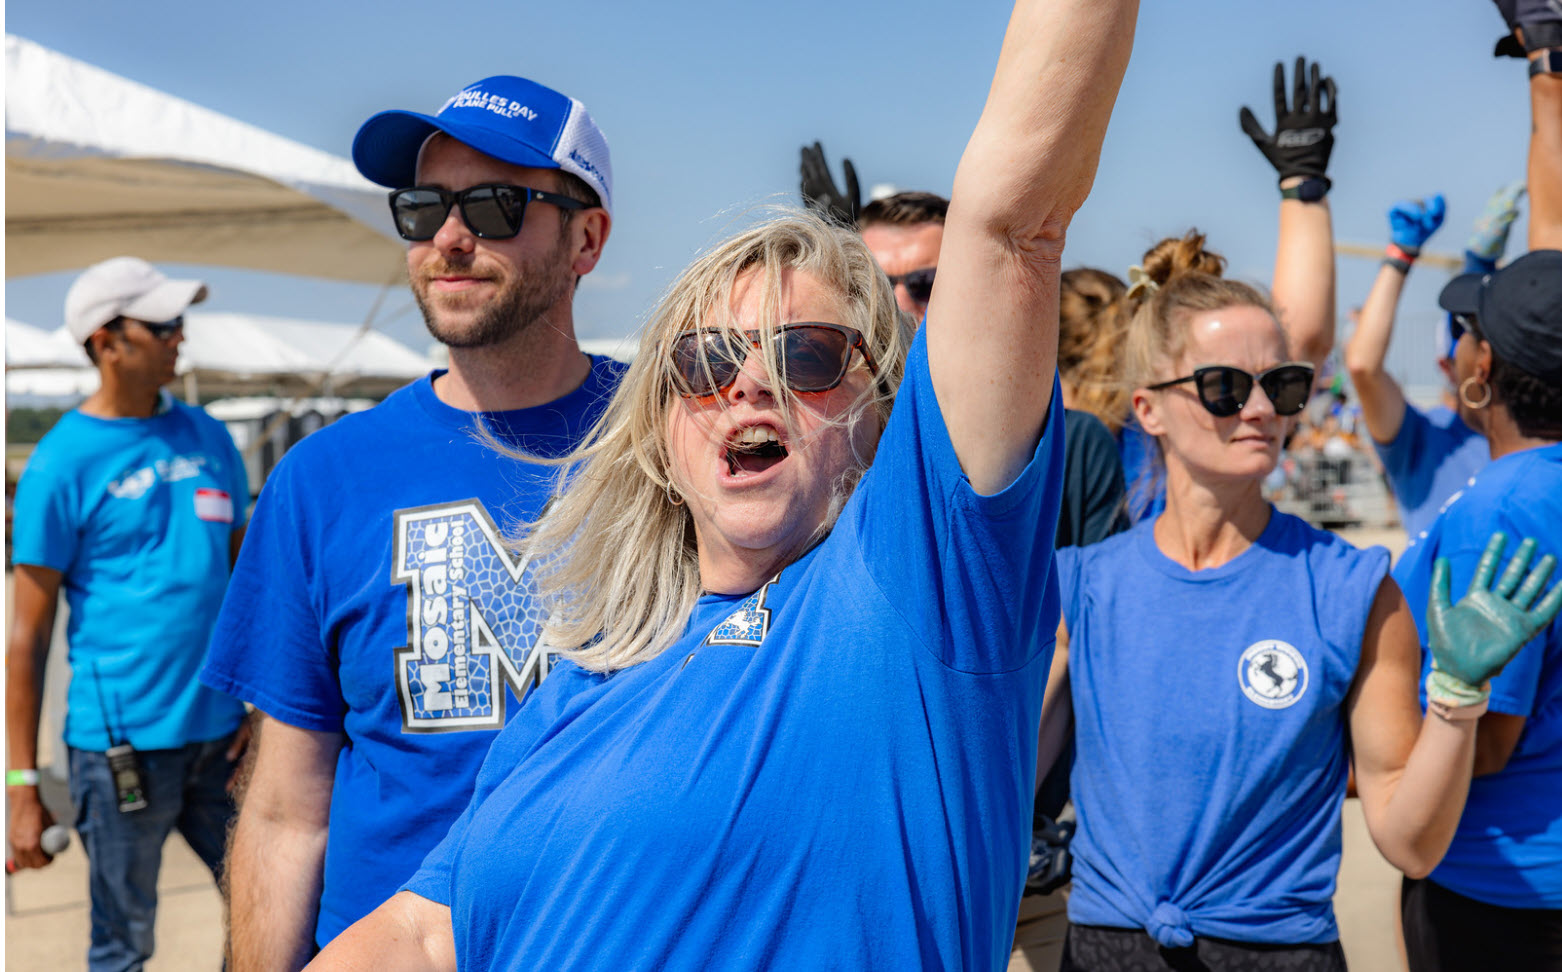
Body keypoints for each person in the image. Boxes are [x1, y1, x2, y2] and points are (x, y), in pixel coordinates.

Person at [308, 1, 1139, 968]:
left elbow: (1014, 224)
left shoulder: (917, 592)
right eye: (703, 362)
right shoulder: (589, 669)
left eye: (809, 355)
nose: (752, 383)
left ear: (883, 411)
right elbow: (423, 928)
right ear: (658, 431)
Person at [1034, 234, 1560, 971]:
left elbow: (1409, 841)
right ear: (1148, 409)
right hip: (1104, 950)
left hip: (1279, 953)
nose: (1258, 409)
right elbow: (1000, 789)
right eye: (1223, 386)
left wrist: (1456, 698)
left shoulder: (1354, 590)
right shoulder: (1080, 588)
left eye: (1279, 385)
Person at [198, 74, 622, 968]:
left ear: (587, 239)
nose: (452, 238)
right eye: (423, 208)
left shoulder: (677, 439)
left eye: (497, 206)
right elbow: (282, 807)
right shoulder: (322, 479)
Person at [7, 257, 250, 971]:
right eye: (164, 324)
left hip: (226, 744)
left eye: (181, 322)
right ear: (107, 340)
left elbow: (250, 588)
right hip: (120, 757)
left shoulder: (209, 437)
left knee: (277, 912)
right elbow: (25, 637)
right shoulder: (60, 464)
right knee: (123, 946)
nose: (181, 337)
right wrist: (22, 788)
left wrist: (266, 712)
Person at [1392, 249, 1562, 971]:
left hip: (1502, 890)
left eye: (1464, 328)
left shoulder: (1504, 507)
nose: (1454, 345)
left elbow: (1487, 740)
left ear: (1481, 364)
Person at [1343, 187, 1528, 539]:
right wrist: (1400, 255)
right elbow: (1363, 366)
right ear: (1445, 366)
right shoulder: (1422, 438)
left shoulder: (1540, 431)